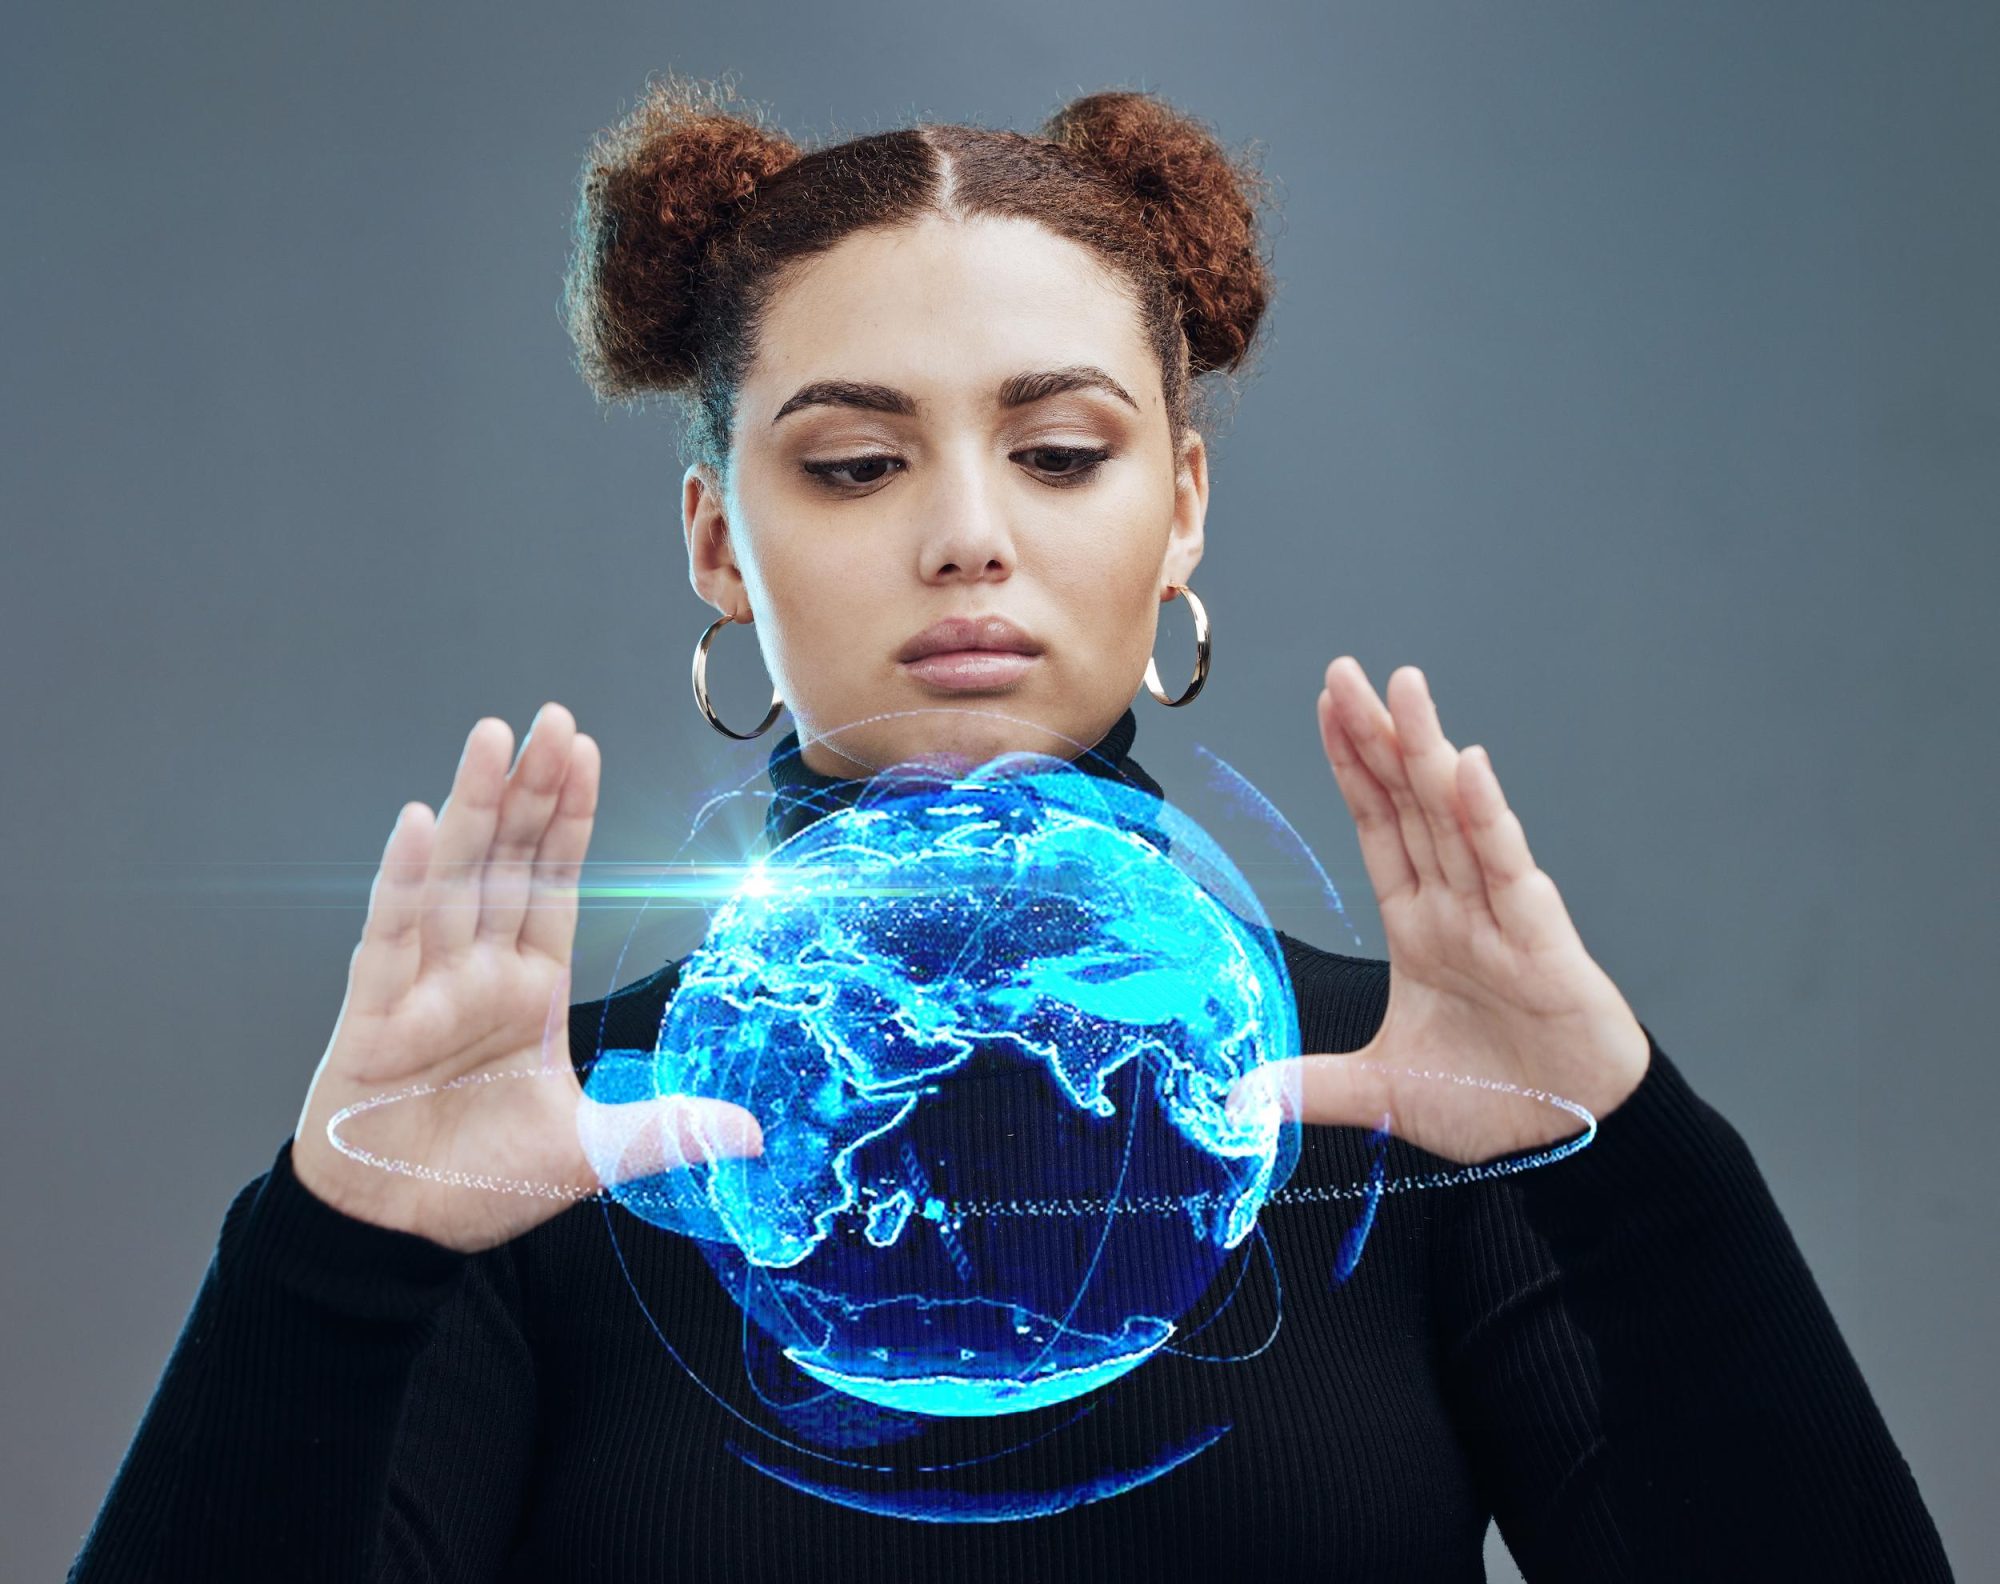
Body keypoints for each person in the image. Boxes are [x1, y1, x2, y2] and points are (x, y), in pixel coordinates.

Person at [69, 76, 1952, 1582]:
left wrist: (1622, 1157)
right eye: (854, 461)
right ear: (722, 538)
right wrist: (347, 1248)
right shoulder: (542, 1148)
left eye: (1060, 451)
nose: (968, 531)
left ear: (1183, 506)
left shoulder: (1412, 1107)